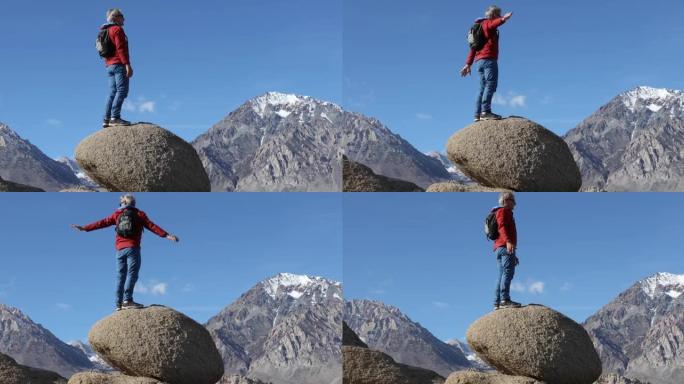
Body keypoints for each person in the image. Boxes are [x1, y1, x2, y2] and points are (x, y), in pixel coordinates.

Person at [71, 194, 179, 311]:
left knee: (120, 276)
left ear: (122, 203)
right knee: (132, 274)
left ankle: (118, 303)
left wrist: (85, 228)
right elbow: (152, 226)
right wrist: (166, 235)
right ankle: (127, 300)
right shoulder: (139, 214)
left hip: (119, 250)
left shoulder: (117, 214)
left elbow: (101, 223)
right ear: (134, 203)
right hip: (133, 248)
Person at [460, 6, 513, 121]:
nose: (499, 16)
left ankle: (477, 114)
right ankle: (486, 111)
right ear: (494, 15)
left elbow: (473, 48)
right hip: (489, 60)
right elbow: (493, 24)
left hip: (479, 61)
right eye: (498, 15)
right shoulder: (487, 23)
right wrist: (504, 19)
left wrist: (468, 64)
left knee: (482, 87)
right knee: (491, 84)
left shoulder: (478, 28)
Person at [101, 8, 134, 128]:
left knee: (112, 92)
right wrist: (127, 65)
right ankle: (115, 117)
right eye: (122, 16)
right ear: (115, 17)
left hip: (109, 66)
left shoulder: (105, 31)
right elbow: (121, 49)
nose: (124, 19)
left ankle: (106, 119)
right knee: (122, 90)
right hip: (119, 64)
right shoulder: (117, 30)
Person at [491, 192, 521, 310]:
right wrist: (508, 242)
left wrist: (514, 254)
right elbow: (501, 227)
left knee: (501, 275)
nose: (515, 203)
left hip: (500, 248)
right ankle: (504, 300)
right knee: (508, 273)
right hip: (504, 246)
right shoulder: (503, 211)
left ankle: (497, 302)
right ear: (507, 200)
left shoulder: (499, 211)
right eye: (513, 200)